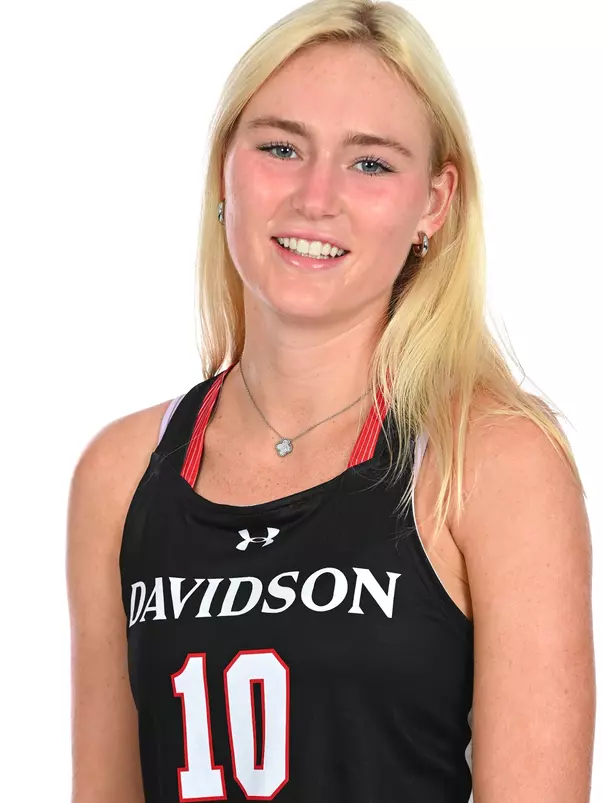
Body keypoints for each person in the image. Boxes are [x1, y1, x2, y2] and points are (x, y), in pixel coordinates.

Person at [66, 1, 595, 801]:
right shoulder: (122, 471)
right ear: (224, 171)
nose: (316, 197)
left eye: (370, 163)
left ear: (433, 203)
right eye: (280, 147)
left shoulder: (492, 461)